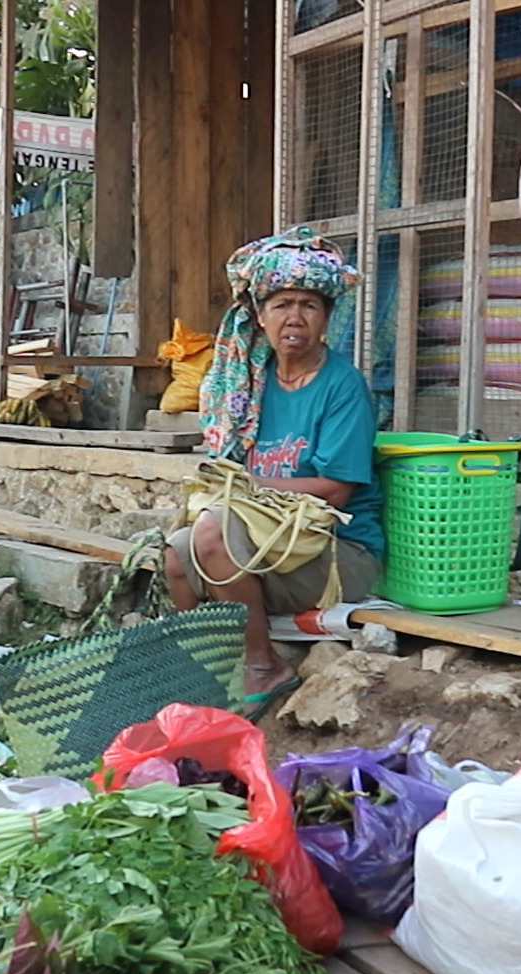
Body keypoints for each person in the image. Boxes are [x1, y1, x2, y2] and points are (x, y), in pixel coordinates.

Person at [162, 227, 384, 717]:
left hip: (337, 551)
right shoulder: (250, 386)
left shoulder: (341, 385)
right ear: (259, 317)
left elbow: (336, 492)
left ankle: (263, 664)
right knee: (178, 554)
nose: (295, 317)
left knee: (214, 531)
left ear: (327, 317)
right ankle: (208, 671)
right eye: (282, 304)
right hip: (274, 539)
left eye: (309, 304)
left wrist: (247, 488)